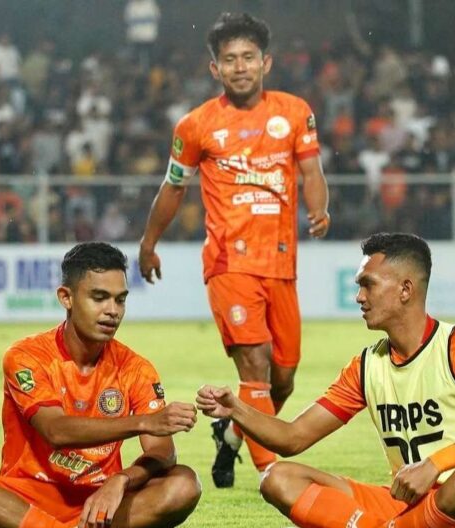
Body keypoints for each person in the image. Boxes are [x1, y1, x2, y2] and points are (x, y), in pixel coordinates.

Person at [197, 233, 455, 528]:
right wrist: (236, 409)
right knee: (278, 479)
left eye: (368, 284)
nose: (359, 297)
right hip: (407, 503)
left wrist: (433, 466)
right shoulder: (367, 365)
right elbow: (292, 438)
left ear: (405, 290)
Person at [139, 13, 330, 488]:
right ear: (215, 69)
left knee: (282, 379)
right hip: (229, 263)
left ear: (266, 62)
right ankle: (274, 474)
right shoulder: (196, 125)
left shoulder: (294, 112)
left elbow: (311, 172)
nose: (240, 67)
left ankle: (232, 434)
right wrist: (148, 242)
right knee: (256, 363)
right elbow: (173, 187)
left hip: (281, 265)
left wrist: (319, 210)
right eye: (230, 59)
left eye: (248, 57)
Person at [0, 242, 201, 528]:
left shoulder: (135, 368)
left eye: (120, 300)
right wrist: (143, 422)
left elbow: (163, 453)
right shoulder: (27, 356)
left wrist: (121, 480)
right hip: (22, 500)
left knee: (184, 485)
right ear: (66, 298)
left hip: (98, 503)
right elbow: (56, 431)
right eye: (99, 298)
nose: (112, 311)